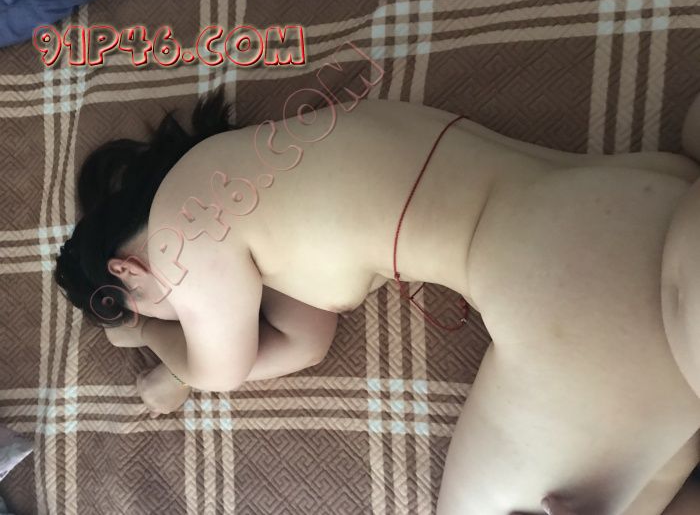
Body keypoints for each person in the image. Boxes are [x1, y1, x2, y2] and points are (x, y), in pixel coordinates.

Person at [54, 87, 700, 514]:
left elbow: (218, 369)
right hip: (631, 195)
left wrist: (151, 343)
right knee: (652, 472)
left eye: (160, 309)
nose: (188, 318)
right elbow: (305, 343)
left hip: (570, 272)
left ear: (126, 272)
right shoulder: (260, 170)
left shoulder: (182, 228)